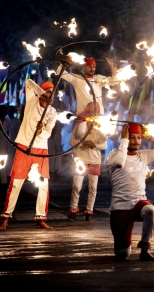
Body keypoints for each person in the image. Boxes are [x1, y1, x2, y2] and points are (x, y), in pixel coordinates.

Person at [107, 123, 154, 261]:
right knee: (123, 255)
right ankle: (120, 245)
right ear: (125, 138)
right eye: (132, 137)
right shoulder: (113, 155)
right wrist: (124, 140)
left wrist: (149, 135)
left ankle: (144, 249)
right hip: (120, 207)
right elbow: (120, 162)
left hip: (138, 202)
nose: (136, 141)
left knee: (150, 210)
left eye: (139, 138)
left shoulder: (143, 155)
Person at [0, 80, 57, 230]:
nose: (51, 96)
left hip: (41, 150)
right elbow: (29, 82)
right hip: (24, 146)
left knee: (43, 185)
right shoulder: (32, 100)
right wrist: (42, 94)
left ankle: (40, 218)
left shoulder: (52, 111)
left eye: (53, 93)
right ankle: (6, 216)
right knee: (16, 183)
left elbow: (49, 131)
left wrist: (40, 130)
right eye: (48, 92)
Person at [68, 102, 108, 221]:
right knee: (76, 186)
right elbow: (72, 141)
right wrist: (83, 143)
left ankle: (89, 210)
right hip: (81, 158)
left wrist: (94, 145)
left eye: (96, 112)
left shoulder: (101, 125)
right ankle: (73, 209)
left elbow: (104, 144)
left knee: (93, 188)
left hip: (95, 159)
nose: (94, 114)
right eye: (92, 112)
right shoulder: (81, 123)